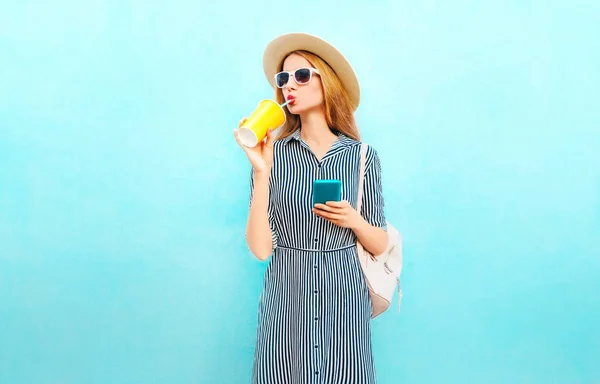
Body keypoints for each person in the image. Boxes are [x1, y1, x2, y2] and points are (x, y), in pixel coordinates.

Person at [233, 32, 389, 384]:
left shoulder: (362, 157)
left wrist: (353, 220)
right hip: (286, 297)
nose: (290, 86)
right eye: (283, 78)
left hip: (345, 298)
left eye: (302, 75)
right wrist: (262, 171)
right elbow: (260, 250)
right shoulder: (273, 156)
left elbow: (380, 244)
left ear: (326, 81)